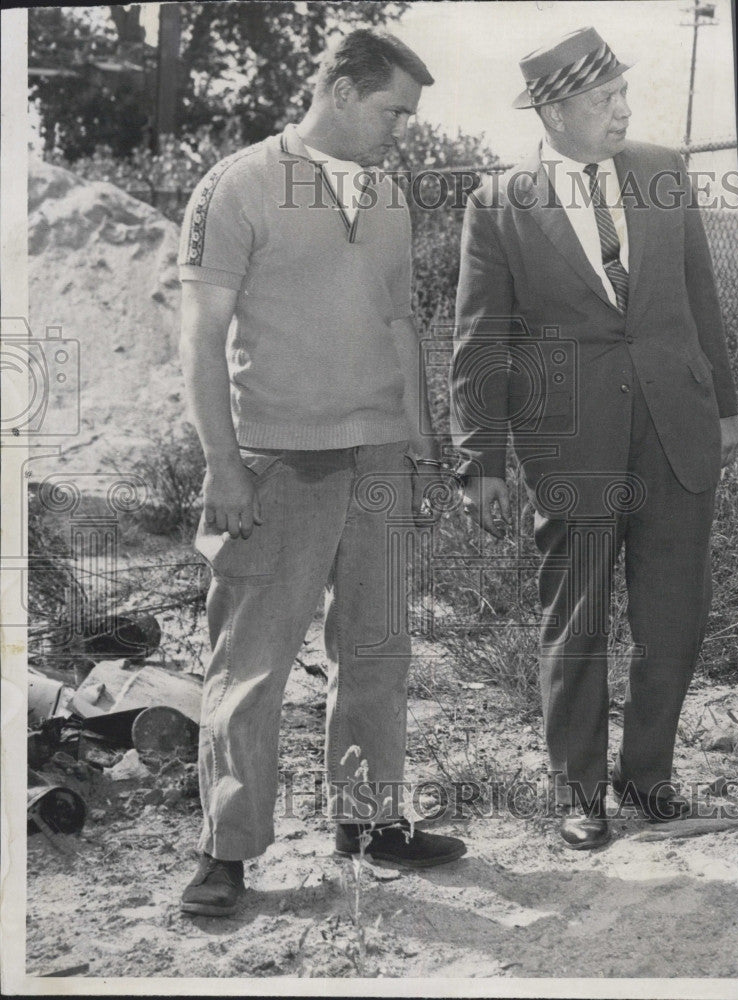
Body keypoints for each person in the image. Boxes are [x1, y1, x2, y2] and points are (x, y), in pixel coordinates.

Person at [178, 28, 466, 917]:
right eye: (393, 111)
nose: (402, 131)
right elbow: (198, 335)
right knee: (253, 666)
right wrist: (224, 463)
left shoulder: (389, 194)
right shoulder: (237, 183)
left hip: (378, 456)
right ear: (340, 90)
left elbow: (398, 327)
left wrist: (420, 442)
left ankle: (371, 821)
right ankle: (227, 853)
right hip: (276, 459)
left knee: (376, 650)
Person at [451, 27, 738, 850]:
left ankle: (647, 777)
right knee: (574, 620)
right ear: (551, 110)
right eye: (601, 97)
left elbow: (698, 298)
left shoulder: (662, 171)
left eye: (621, 91)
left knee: (674, 616)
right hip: (568, 442)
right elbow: (481, 341)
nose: (621, 108)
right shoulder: (498, 203)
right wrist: (480, 458)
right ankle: (578, 795)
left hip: (674, 426)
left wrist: (722, 407)